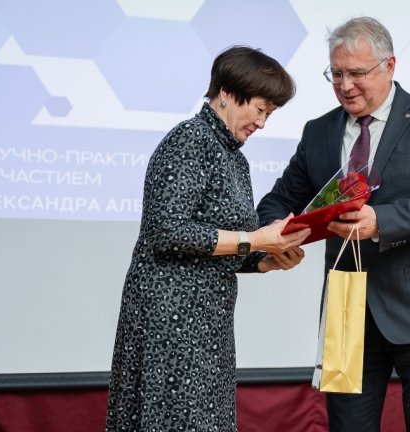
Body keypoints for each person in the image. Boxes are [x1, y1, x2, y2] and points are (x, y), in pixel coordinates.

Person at [257, 17, 410, 432]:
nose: (345, 85)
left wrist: (382, 221)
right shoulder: (319, 131)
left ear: (389, 65)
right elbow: (280, 199)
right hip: (346, 314)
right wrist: (273, 234)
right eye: (336, 74)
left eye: (356, 73)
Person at [105, 46, 311, 432]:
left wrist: (267, 258)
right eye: (260, 109)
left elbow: (223, 246)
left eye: (270, 114)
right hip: (170, 318)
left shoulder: (235, 158)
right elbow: (167, 231)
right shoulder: (190, 139)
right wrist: (255, 240)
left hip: (209, 324)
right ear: (227, 93)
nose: (262, 123)